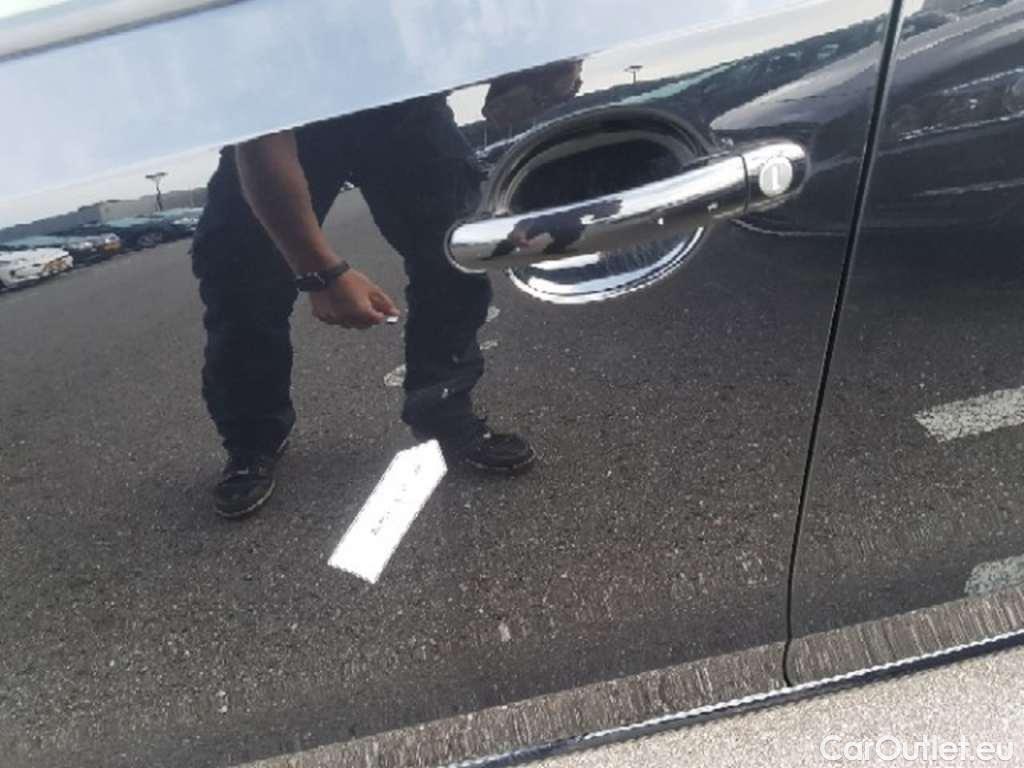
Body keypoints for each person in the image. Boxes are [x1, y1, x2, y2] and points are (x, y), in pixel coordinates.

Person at [191, 95, 536, 519]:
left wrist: (528, 76)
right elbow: (260, 140)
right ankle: (253, 437)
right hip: (285, 105)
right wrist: (321, 273)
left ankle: (443, 407)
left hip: (400, 95)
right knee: (240, 273)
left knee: (455, 248)